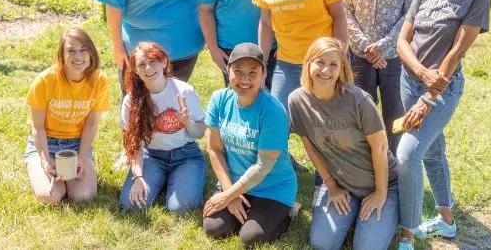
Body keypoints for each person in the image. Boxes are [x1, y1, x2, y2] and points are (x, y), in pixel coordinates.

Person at [395, 0, 491, 250]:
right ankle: (447, 222)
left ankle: (407, 235)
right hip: (409, 80)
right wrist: (420, 72)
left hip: (442, 87)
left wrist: (429, 93)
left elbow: (458, 51)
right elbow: (402, 41)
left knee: (408, 154)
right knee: (432, 149)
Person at [252, 0, 348, 170]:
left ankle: (328, 179)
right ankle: (280, 177)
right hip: (288, 62)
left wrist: (339, 56)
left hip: (322, 63)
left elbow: (339, 15)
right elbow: (265, 22)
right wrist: (261, 62)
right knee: (277, 121)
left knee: (325, 124)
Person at [288, 37, 399, 250]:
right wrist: (331, 185)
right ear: (308, 63)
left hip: (383, 183)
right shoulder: (297, 101)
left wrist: (380, 192)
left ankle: (383, 214)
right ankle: (355, 215)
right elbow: (309, 147)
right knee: (321, 243)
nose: (325, 70)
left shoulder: (358, 100)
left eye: (333, 65)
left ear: (341, 69)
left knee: (367, 247)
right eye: (319, 62)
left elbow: (380, 147)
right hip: (342, 184)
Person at [343, 0, 420, 155]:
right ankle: (366, 165)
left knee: (396, 115)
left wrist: (384, 45)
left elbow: (412, 11)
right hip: (360, 56)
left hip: (395, 57)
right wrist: (366, 46)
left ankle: (397, 166)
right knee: (361, 114)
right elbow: (346, 10)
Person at [203, 43, 297, 246]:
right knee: (214, 228)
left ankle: (287, 212)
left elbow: (263, 166)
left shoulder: (273, 111)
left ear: (263, 74)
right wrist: (230, 194)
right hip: (236, 182)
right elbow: (214, 149)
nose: (245, 79)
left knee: (251, 238)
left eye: (253, 72)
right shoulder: (219, 100)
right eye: (238, 71)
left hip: (272, 186)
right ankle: (246, 208)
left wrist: (227, 196)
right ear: (228, 71)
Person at [24, 27, 110, 204]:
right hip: (45, 143)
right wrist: (46, 161)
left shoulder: (99, 81)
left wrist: (82, 157)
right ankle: (36, 166)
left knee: (82, 197)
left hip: (76, 145)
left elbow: (92, 124)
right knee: (50, 197)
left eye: (83, 50)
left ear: (91, 53)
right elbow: (37, 127)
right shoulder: (45, 81)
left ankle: (68, 179)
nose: (78, 57)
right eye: (71, 51)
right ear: (61, 55)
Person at [118, 42, 206, 215]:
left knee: (180, 209)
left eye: (153, 61)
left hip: (186, 154)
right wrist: (138, 177)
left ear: (164, 62)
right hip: (152, 156)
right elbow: (133, 145)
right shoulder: (131, 100)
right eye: (142, 64)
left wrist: (188, 122)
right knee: (130, 207)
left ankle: (178, 179)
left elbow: (201, 133)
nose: (148, 68)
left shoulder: (184, 91)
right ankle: (160, 179)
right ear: (135, 70)